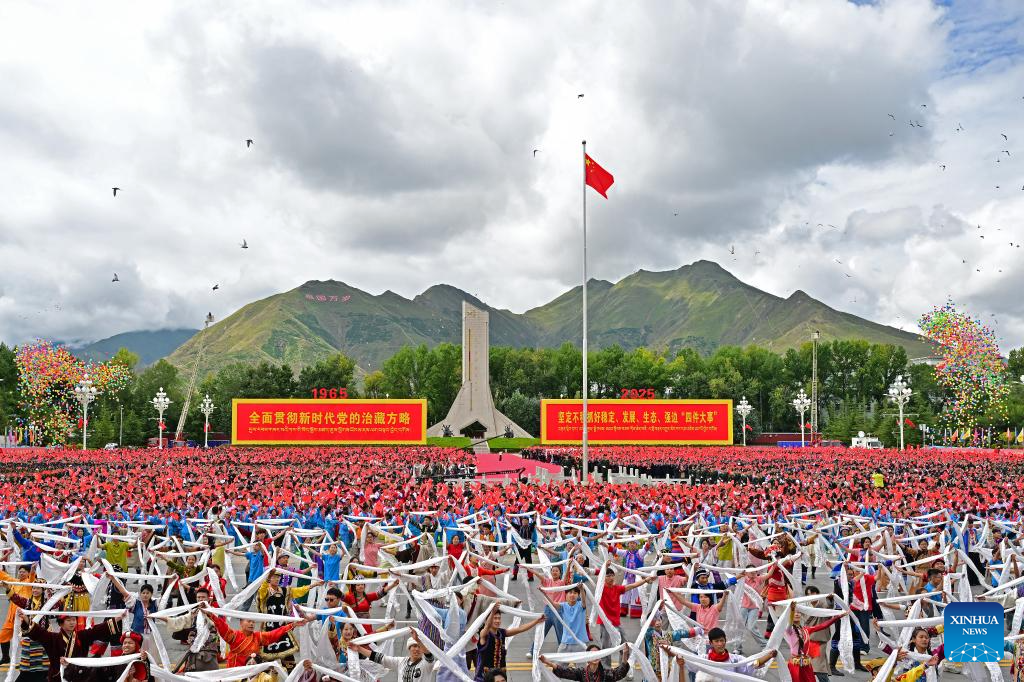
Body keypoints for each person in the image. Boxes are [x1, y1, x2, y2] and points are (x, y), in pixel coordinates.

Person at [204, 608, 313, 668]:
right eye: (248, 621)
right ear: (241, 623)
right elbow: (222, 627)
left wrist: (293, 624)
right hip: (236, 673)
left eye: (253, 622)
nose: (252, 624)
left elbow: (274, 634)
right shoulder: (234, 636)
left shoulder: (257, 636)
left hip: (253, 672)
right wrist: (212, 615)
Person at [473, 608, 545, 682]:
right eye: (495, 618)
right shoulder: (484, 634)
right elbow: (487, 626)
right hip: (485, 676)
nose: (497, 621)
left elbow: (520, 629)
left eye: (499, 618)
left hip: (500, 675)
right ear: (488, 620)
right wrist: (492, 612)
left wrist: (536, 621)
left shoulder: (502, 632)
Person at [368, 630, 439, 682]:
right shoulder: (401, 661)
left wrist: (418, 640)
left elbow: (429, 656)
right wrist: (361, 649)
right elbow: (381, 658)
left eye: (419, 647)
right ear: (409, 648)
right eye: (414, 646)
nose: (417, 649)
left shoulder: (427, 664)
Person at [539, 642, 631, 682]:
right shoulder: (581, 672)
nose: (595, 657)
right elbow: (564, 671)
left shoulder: (606, 674)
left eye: (597, 654)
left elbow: (620, 673)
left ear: (600, 658)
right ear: (587, 659)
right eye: (592, 655)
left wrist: (625, 654)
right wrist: (548, 662)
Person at [542, 585, 588, 653]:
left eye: (575, 593)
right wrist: (544, 593)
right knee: (559, 660)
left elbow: (583, 600)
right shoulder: (563, 606)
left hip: (580, 642)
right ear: (566, 594)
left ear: (578, 595)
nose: (572, 595)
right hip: (565, 642)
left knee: (581, 660)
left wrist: (581, 589)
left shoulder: (580, 605)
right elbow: (553, 604)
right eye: (570, 592)